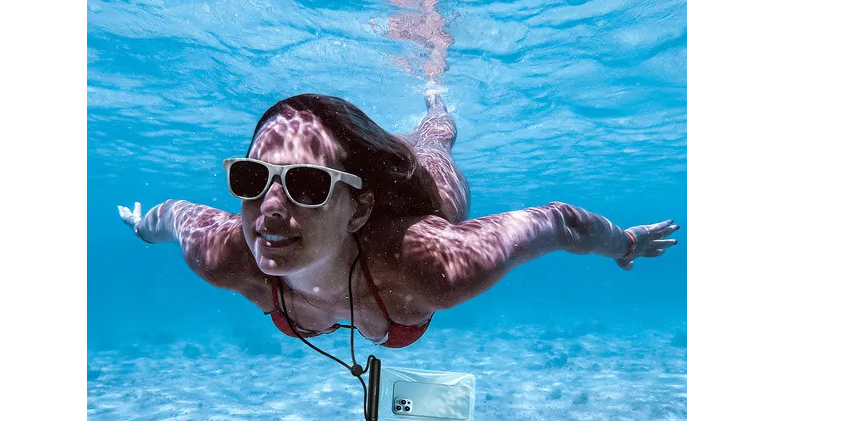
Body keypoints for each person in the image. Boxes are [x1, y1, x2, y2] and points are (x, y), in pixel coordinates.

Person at [117, 92, 678, 349]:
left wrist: (624, 243)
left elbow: (558, 222)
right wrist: (144, 228)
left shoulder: (434, 263)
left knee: (432, 145)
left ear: (359, 208)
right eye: (251, 177)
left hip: (424, 190)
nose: (269, 207)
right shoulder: (224, 254)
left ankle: (435, 104)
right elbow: (175, 215)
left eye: (307, 184)